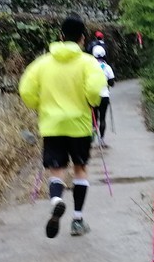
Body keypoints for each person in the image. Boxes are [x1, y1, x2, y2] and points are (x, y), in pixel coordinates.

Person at [18, 15, 107, 238]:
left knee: (56, 170)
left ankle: (56, 200)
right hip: (79, 125)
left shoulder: (42, 63)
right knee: (80, 169)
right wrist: (91, 102)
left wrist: (38, 105)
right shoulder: (88, 63)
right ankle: (77, 220)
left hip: (52, 125)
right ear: (82, 39)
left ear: (60, 36)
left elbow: (26, 89)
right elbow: (96, 88)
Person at [92, 45, 115, 147]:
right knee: (102, 118)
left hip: (93, 95)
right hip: (104, 96)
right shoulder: (107, 67)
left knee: (94, 118)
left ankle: (92, 140)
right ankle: (101, 140)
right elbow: (111, 82)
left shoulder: (90, 66)